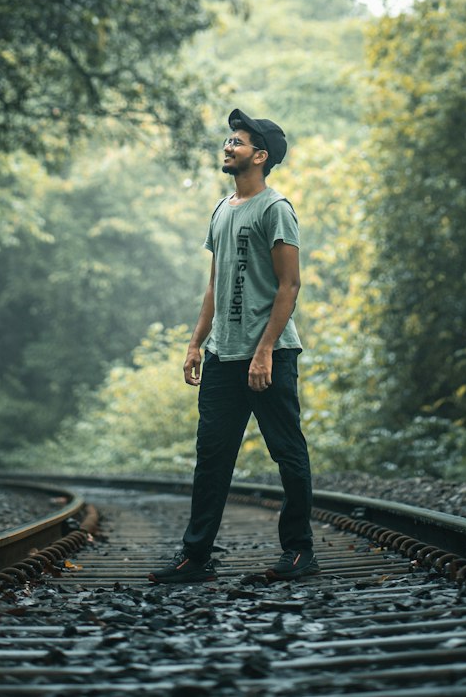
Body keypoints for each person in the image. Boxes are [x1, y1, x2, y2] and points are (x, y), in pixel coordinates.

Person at [149, 107, 317, 585]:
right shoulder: (222, 209)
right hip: (223, 357)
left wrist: (264, 351)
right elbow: (214, 286)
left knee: (287, 452)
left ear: (259, 156)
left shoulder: (276, 209)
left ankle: (300, 553)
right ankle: (195, 558)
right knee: (211, 459)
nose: (228, 146)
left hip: (269, 355)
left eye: (238, 142)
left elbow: (289, 286)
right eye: (229, 140)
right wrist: (195, 344)